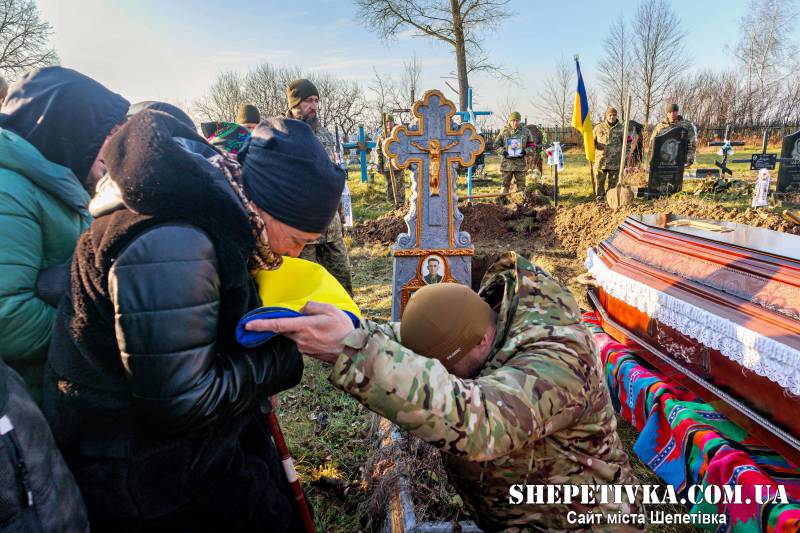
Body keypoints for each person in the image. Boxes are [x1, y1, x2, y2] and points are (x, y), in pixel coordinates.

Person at [43, 113, 346, 531]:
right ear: (269, 208)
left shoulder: (218, 217)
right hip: (145, 479)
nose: (294, 255)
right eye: (297, 240)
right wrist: (284, 357)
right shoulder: (174, 242)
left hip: (181, 457)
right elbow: (182, 402)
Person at [245, 252, 642, 531]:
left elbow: (480, 423)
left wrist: (355, 354)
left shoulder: (558, 358)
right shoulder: (483, 325)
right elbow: (409, 342)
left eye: (448, 368)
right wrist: (344, 332)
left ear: (483, 343)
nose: (444, 376)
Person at [0, 66, 129, 403]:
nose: (116, 148)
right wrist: (104, 332)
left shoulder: (63, 186)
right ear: (70, 129)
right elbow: (7, 317)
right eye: (108, 133)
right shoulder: (9, 190)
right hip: (32, 409)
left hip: (61, 392)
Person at [287, 78, 353, 294]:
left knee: (342, 285)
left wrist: (343, 218)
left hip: (331, 229)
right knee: (307, 292)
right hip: (301, 233)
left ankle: (348, 325)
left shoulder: (325, 135)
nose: (314, 106)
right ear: (293, 104)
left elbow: (335, 178)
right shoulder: (282, 134)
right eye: (308, 101)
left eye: (316, 100)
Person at [493, 111, 532, 196]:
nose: (515, 122)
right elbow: (496, 145)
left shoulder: (526, 132)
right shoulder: (504, 131)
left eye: (517, 120)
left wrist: (525, 151)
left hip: (520, 165)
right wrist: (503, 152)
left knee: (521, 187)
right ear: (509, 121)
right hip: (507, 165)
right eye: (513, 120)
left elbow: (532, 145)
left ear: (519, 121)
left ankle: (521, 205)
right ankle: (502, 203)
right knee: (504, 186)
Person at [593, 106, 624, 198]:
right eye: (610, 115)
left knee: (613, 184)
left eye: (614, 115)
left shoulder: (622, 128)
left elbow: (627, 143)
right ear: (606, 116)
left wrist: (625, 157)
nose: (612, 117)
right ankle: (600, 199)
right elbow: (591, 143)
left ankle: (610, 199)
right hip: (601, 160)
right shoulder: (598, 128)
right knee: (599, 182)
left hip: (615, 161)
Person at [376, 114, 405, 207]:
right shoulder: (382, 135)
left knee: (399, 184)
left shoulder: (399, 133)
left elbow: (404, 147)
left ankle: (400, 203)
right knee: (389, 185)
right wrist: (379, 165)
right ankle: (391, 203)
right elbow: (379, 151)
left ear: (393, 122)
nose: (388, 124)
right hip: (387, 165)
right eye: (387, 122)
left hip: (398, 163)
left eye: (390, 122)